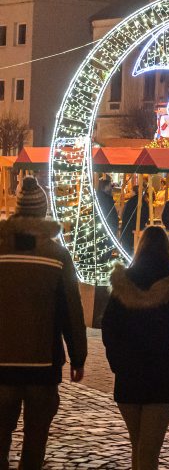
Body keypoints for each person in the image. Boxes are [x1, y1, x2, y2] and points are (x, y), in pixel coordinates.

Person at [0, 176, 87, 470]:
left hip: (1, 365)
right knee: (35, 440)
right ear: (42, 214)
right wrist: (78, 357)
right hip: (43, 366)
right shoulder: (58, 256)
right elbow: (71, 312)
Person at [102, 225, 169, 470]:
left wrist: (118, 363)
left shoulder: (122, 285)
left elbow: (109, 330)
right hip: (162, 377)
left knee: (139, 447)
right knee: (149, 452)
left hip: (128, 377)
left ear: (140, 248)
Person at [120, 184, 150, 257]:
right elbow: (146, 216)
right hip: (139, 227)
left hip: (128, 228)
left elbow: (125, 215)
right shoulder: (144, 202)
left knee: (128, 247)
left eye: (131, 191)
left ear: (134, 192)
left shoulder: (131, 202)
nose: (130, 193)